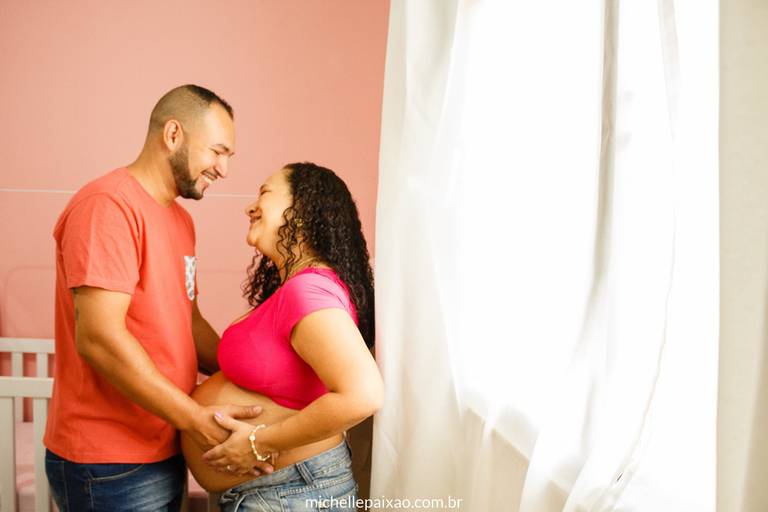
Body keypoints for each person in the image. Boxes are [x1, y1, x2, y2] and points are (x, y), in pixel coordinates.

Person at [44, 84, 272, 512]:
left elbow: (188, 322)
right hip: (109, 460)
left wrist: (258, 379)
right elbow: (98, 339)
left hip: (164, 442)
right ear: (173, 135)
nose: (223, 169)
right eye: (217, 152)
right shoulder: (108, 206)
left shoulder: (180, 219)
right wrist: (193, 418)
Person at [181, 162, 383, 512]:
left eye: (265, 193)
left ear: (300, 212)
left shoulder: (308, 290)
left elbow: (363, 395)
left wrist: (259, 442)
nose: (250, 207)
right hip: (282, 491)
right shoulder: (302, 288)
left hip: (291, 494)